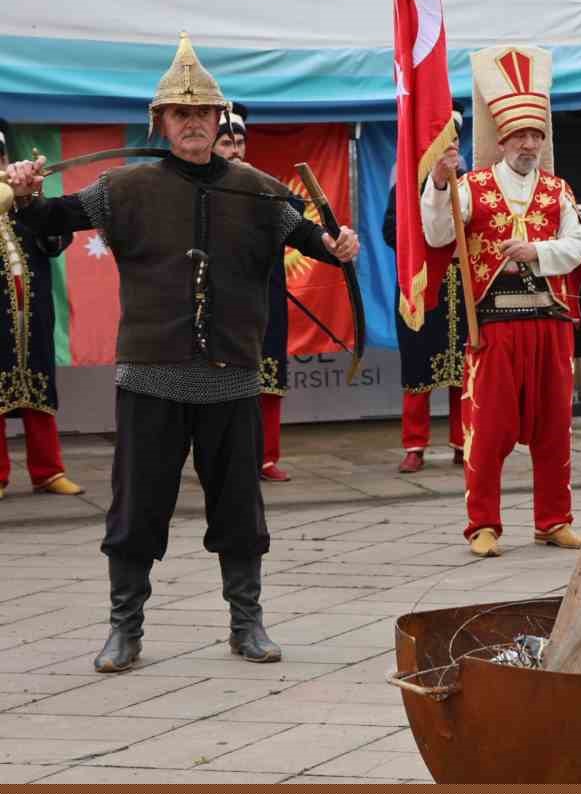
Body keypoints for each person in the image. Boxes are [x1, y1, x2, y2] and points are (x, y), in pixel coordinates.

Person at [6, 34, 359, 673]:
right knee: (137, 504)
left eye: (204, 114)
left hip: (232, 372)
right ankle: (125, 629)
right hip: (151, 371)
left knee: (239, 506)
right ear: (161, 122)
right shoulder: (124, 188)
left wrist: (340, 245)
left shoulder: (258, 189)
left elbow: (317, 237)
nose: (194, 124)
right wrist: (28, 197)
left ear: (219, 120)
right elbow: (51, 221)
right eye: (181, 114)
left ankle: (246, 623)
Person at [421, 45, 581, 558]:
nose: (528, 143)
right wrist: (440, 181)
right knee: (488, 431)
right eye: (519, 135)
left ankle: (553, 520)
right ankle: (483, 525)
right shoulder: (471, 187)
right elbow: (436, 232)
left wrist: (536, 250)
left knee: (554, 430)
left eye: (536, 135)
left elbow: (578, 245)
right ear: (501, 139)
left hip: (550, 321)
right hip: (492, 324)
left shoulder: (558, 190)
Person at [0, 118, 83, 502]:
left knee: (39, 388)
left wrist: (34, 200)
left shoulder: (24, 198)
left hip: (33, 313)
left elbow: (54, 242)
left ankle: (48, 471)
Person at [386, 102, 469, 474]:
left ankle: (463, 442)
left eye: (452, 138)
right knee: (418, 366)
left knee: (463, 369)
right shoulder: (405, 181)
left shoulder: (472, 181)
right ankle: (414, 445)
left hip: (461, 285)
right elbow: (389, 232)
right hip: (420, 285)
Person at [211, 103, 292, 484]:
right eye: (227, 142)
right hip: (218, 300)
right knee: (220, 383)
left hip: (266, 297)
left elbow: (295, 218)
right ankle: (225, 457)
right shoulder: (200, 189)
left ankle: (266, 456)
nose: (235, 150)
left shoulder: (265, 184)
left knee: (268, 379)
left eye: (239, 142)